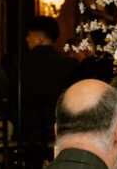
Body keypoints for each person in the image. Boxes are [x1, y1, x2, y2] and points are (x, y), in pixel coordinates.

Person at [21, 16, 78, 147]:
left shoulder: (20, 63)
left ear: (40, 39)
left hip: (27, 133)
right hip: (60, 131)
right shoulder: (69, 64)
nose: (26, 39)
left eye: (29, 35)